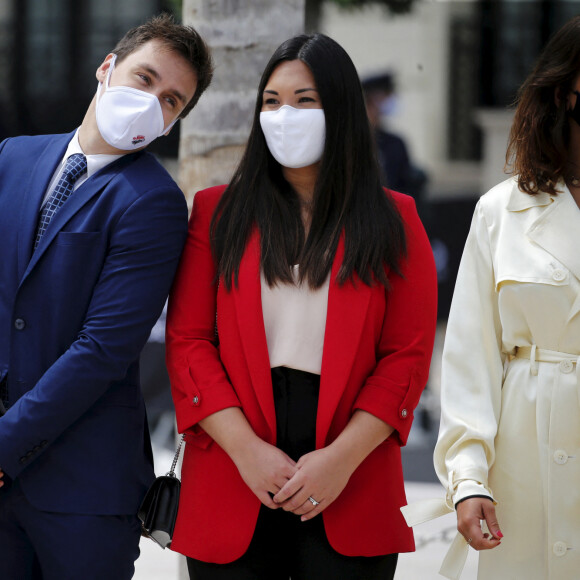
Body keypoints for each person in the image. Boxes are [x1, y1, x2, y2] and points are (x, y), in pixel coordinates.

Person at [166, 33, 437, 580]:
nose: (284, 115)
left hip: (350, 460)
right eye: (271, 101)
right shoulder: (217, 213)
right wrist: (247, 451)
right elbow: (189, 341)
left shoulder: (394, 218)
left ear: (339, 107)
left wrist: (339, 460)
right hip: (235, 454)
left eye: (304, 100)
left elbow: (406, 355)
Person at [0, 13, 212, 579]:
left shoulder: (153, 201)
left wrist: (3, 445)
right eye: (145, 80)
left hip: (82, 490)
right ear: (106, 68)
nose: (151, 103)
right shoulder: (12, 158)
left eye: (171, 101)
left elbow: (103, 348)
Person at [403, 15, 580, 580]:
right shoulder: (500, 211)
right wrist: (468, 477)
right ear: (564, 91)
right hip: (523, 464)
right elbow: (470, 360)